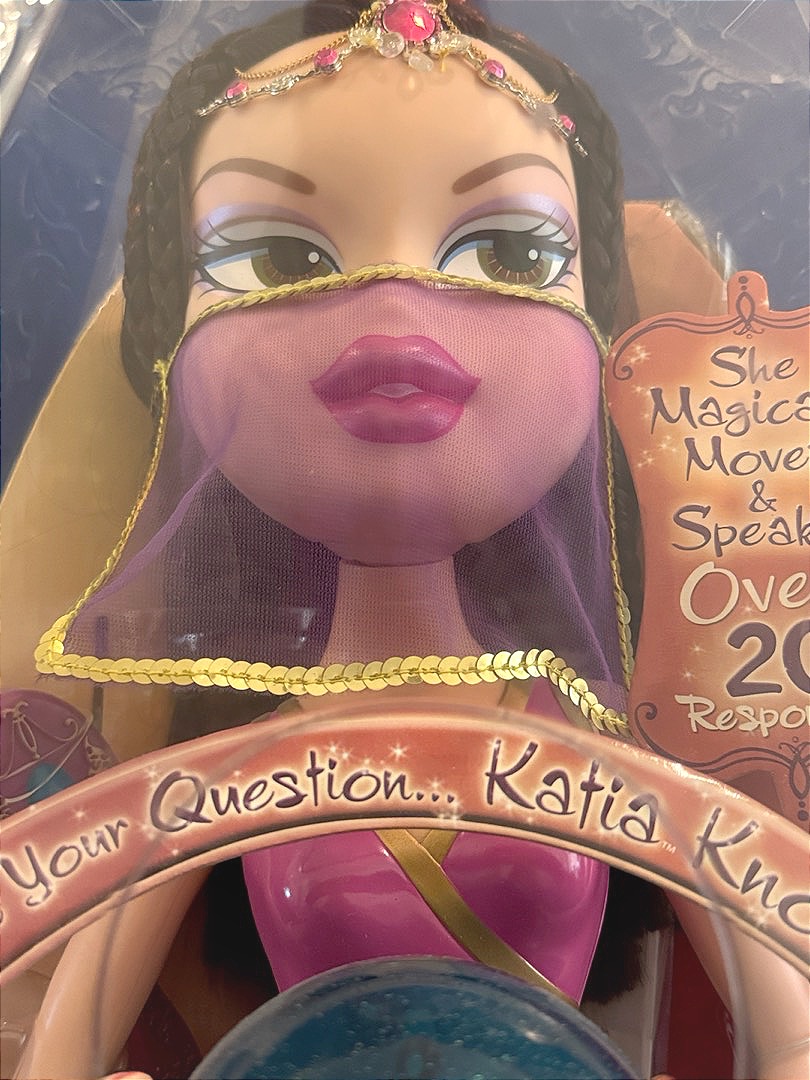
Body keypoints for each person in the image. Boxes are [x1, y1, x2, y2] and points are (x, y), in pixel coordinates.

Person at [10, 1, 808, 1077]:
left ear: (605, 340)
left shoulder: (610, 746)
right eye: (274, 256)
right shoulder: (217, 772)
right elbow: (63, 1037)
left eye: (511, 253)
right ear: (171, 350)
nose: (394, 303)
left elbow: (780, 1001)